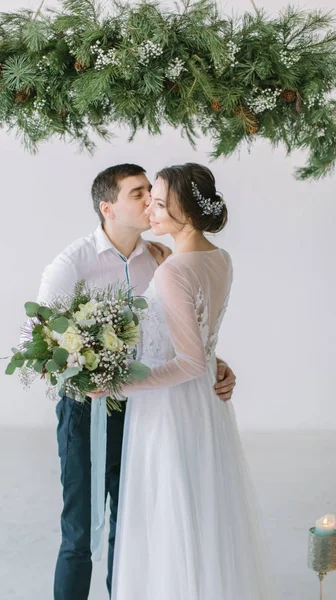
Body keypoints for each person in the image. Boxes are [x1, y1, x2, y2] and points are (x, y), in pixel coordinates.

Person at [31, 163, 237, 600]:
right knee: (80, 529)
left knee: (134, 524)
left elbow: (183, 337)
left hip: (147, 409)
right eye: (138, 193)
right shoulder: (73, 263)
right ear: (108, 208)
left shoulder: (163, 258)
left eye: (153, 194)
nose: (150, 202)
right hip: (88, 407)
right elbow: (43, 340)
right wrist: (88, 372)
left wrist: (215, 361)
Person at [90, 163, 271, 600]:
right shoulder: (217, 258)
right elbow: (202, 344)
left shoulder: (173, 272)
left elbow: (188, 359)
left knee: (169, 509)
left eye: (158, 203)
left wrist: (116, 385)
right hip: (205, 404)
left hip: (168, 407)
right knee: (202, 505)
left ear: (185, 213)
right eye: (148, 200)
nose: (150, 210)